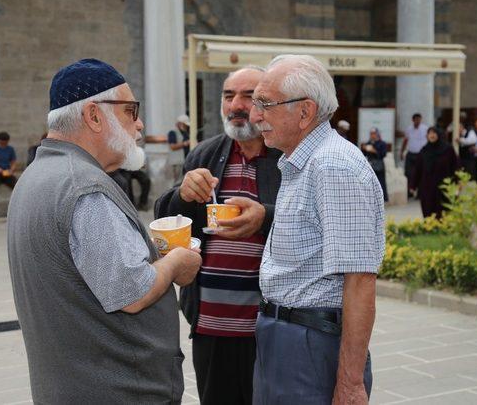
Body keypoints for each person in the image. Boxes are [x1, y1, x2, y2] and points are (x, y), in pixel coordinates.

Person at [7, 59, 201, 404]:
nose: (139, 124)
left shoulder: (38, 175)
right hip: (118, 391)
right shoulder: (84, 187)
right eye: (130, 111)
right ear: (94, 116)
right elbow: (131, 291)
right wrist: (175, 264)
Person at [249, 55, 385, 404]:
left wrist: (351, 384)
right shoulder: (302, 162)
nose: (255, 116)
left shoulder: (333, 166)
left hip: (310, 344)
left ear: (305, 112)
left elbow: (359, 280)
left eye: (265, 103)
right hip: (287, 337)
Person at [155, 66, 282, 405]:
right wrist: (183, 194)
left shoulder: (289, 157)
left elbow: (313, 223)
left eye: (249, 96)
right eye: (229, 96)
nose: (236, 105)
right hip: (211, 326)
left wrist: (264, 217)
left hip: (271, 328)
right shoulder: (204, 155)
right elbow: (169, 223)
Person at [409, 126, 459, 219]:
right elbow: (418, 169)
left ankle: (443, 228)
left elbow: (455, 166)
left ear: (439, 135)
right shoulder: (424, 151)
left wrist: (456, 183)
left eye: (434, 133)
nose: (432, 135)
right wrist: (413, 185)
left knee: (443, 208)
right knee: (428, 208)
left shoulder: (448, 150)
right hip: (427, 186)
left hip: (444, 185)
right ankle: (429, 227)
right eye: (429, 133)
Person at [399, 113, 428, 195]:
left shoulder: (425, 129)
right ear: (413, 120)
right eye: (416, 120)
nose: (418, 121)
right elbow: (405, 140)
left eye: (419, 119)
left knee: (421, 173)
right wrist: (402, 151)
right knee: (408, 173)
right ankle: (409, 191)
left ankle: (420, 192)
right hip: (411, 153)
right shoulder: (409, 129)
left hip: (421, 154)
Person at [361, 127, 388, 202]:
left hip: (379, 166)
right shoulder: (368, 143)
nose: (372, 135)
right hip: (370, 165)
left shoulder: (382, 143)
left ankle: (382, 198)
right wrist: (363, 148)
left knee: (380, 182)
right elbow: (364, 154)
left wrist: (374, 151)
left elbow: (383, 154)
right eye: (371, 134)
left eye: (374, 134)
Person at [168, 114, 191, 181]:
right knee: (178, 181)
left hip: (185, 161)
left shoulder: (185, 133)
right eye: (184, 124)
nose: (186, 126)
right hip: (178, 162)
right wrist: (185, 143)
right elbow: (172, 146)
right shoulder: (173, 132)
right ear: (180, 123)